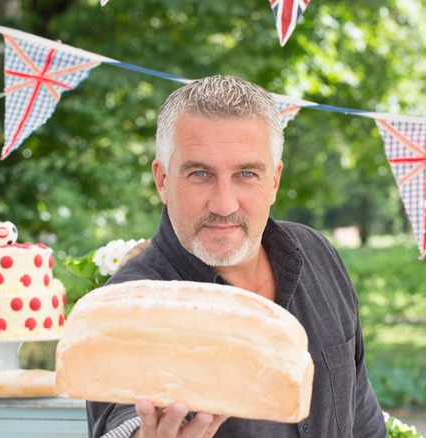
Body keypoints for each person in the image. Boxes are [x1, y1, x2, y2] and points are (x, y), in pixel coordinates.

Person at [87, 75, 387, 438]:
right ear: (163, 180)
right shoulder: (127, 305)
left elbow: (364, 419)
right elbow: (124, 423)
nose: (224, 204)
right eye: (200, 174)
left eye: (246, 174)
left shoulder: (317, 253)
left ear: (274, 180)